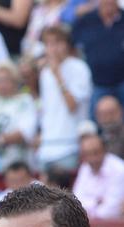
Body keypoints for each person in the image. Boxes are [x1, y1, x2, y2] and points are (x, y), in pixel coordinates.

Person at [35, 25, 93, 175]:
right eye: (48, 44)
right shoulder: (45, 73)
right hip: (47, 147)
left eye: (57, 42)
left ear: (66, 44)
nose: (52, 48)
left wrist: (58, 76)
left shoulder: (79, 68)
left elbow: (72, 105)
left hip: (69, 145)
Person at [73, 131, 124, 218]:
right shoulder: (85, 167)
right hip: (89, 223)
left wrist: (88, 208)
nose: (92, 158)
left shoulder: (119, 169)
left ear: (104, 150)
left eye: (96, 152)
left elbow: (112, 210)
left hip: (117, 225)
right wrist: (96, 202)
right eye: (87, 154)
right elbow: (75, 201)